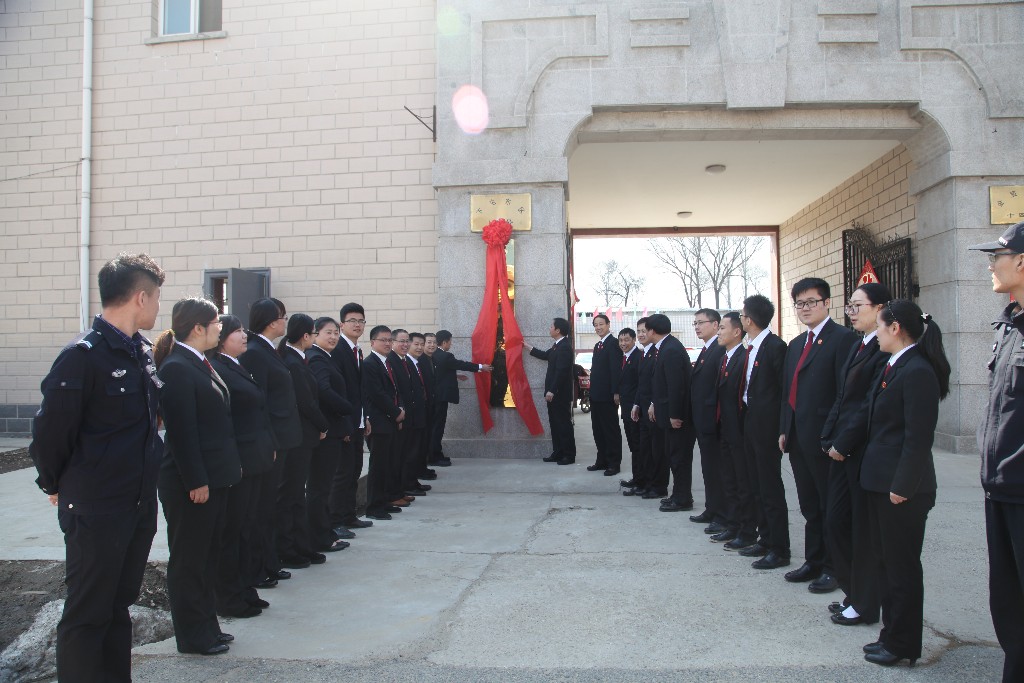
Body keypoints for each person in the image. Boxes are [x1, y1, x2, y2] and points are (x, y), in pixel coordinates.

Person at [30, 252, 165, 680]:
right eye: (157, 297)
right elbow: (50, 434)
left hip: (137, 504)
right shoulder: (82, 356)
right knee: (88, 614)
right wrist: (55, 483)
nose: (159, 307)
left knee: (117, 607)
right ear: (140, 298)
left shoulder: (140, 353)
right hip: (97, 509)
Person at [831, 300, 950, 667]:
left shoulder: (916, 370)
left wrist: (903, 485)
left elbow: (917, 437)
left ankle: (903, 644)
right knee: (885, 562)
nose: (875, 333)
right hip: (879, 481)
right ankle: (891, 636)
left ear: (895, 328)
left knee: (901, 568)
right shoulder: (896, 365)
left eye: (880, 327)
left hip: (900, 489)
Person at [154, 297, 242, 656]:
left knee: (207, 556)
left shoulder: (199, 363)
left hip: (214, 479)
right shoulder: (176, 368)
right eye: (217, 322)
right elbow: (182, 433)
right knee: (190, 560)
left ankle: (209, 626)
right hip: (192, 484)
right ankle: (193, 636)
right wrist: (196, 481)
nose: (220, 328)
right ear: (198, 328)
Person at [969, 221, 1024, 683]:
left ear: (1021, 262)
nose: (991, 265)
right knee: (1007, 598)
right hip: (1001, 486)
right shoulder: (1008, 324)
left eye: (997, 257)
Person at [779, 277, 858, 593]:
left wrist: (837, 438)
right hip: (798, 437)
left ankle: (835, 568)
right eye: (800, 303)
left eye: (812, 302)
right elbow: (789, 390)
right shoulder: (797, 344)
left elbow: (847, 393)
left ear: (827, 303)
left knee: (831, 508)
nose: (805, 308)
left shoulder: (843, 339)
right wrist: (784, 429)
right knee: (809, 505)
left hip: (826, 440)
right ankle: (813, 560)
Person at [820, 282, 891, 626]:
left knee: (861, 531)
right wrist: (828, 436)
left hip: (860, 452)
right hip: (840, 449)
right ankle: (855, 592)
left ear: (880, 309)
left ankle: (865, 602)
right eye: (849, 306)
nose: (852, 312)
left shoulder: (883, 348)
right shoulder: (858, 344)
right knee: (836, 522)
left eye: (857, 306)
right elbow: (842, 396)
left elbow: (867, 406)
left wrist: (843, 443)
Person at [209, 315, 276, 620]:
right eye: (237, 332)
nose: (244, 335)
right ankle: (231, 596)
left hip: (256, 456)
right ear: (221, 338)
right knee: (234, 531)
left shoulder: (238, 364)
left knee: (250, 525)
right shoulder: (218, 367)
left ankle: (246, 587)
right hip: (241, 461)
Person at [238, 298, 302, 588]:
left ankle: (271, 561)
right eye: (282, 317)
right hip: (272, 439)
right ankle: (261, 565)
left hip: (285, 437)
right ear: (270, 320)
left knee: (280, 501)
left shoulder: (269, 350)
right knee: (265, 507)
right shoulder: (254, 353)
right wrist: (271, 440)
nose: (284, 322)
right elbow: (258, 401)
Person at [740, 295, 791, 566]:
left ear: (750, 319)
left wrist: (783, 428)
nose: (741, 319)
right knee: (756, 485)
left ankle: (779, 548)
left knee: (770, 488)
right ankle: (765, 538)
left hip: (767, 427)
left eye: (742, 315)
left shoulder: (774, 347)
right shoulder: (752, 347)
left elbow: (783, 392)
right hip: (751, 422)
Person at [276, 314, 330, 568]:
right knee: (292, 494)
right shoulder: (293, 362)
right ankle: (289, 548)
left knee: (298, 493)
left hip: (304, 435)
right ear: (307, 336)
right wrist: (323, 424)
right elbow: (305, 401)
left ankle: (301, 545)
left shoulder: (298, 359)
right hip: (298, 436)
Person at [307, 317, 354, 551]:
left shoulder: (325, 357)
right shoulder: (316, 358)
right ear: (314, 335)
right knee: (320, 487)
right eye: (329, 333)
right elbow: (323, 391)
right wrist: (348, 408)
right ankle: (320, 536)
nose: (334, 337)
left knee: (323, 485)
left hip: (333, 429)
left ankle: (324, 533)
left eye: (336, 333)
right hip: (324, 432)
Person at [679, 309, 726, 518]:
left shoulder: (719, 349)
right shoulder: (708, 349)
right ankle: (712, 508)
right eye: (694, 323)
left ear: (715, 325)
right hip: (702, 420)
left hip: (712, 421)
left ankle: (719, 511)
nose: (697, 327)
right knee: (708, 468)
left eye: (701, 323)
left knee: (716, 470)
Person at [329, 303, 373, 531]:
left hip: (357, 421)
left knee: (354, 469)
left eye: (361, 321)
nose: (357, 325)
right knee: (342, 473)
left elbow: (359, 390)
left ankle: (348, 516)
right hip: (344, 424)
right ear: (341, 324)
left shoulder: (357, 350)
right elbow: (338, 391)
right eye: (352, 321)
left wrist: (364, 417)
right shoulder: (338, 350)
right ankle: (336, 521)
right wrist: (345, 424)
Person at [645, 313, 694, 509]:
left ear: (653, 331)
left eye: (645, 329)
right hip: (666, 412)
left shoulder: (671, 349)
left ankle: (682, 499)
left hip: (676, 417)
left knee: (679, 458)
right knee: (673, 456)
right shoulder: (664, 347)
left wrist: (675, 414)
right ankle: (677, 495)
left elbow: (677, 386)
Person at [712, 313, 751, 543]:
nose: (719, 332)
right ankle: (733, 523)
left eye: (723, 328)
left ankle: (746, 529)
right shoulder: (724, 358)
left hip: (738, 430)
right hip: (724, 428)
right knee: (729, 479)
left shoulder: (744, 357)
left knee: (741, 482)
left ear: (737, 332)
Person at [362, 325, 406, 520]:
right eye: (383, 340)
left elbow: (395, 391)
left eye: (389, 340)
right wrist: (396, 412)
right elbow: (377, 394)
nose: (387, 343)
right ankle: (373, 506)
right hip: (378, 422)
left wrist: (400, 410)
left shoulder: (387, 363)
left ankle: (385, 500)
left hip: (390, 421)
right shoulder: (370, 364)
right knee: (378, 466)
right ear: (372, 342)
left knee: (388, 464)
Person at [430, 330, 491, 465]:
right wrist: (481, 367)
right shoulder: (445, 356)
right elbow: (461, 364)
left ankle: (437, 454)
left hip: (437, 396)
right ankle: (434, 457)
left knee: (437, 427)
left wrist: (455, 376)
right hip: (440, 397)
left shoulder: (436, 355)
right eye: (450, 341)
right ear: (445, 342)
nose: (451, 344)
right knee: (437, 427)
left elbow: (441, 372)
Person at [524, 318, 575, 465]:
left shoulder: (564, 347)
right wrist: (528, 347)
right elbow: (546, 355)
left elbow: (561, 371)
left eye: (551, 326)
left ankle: (569, 455)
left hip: (559, 394)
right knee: (555, 424)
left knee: (563, 424)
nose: (549, 328)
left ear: (558, 330)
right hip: (553, 394)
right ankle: (558, 452)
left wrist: (552, 390)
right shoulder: (557, 346)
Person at [389, 329, 428, 502]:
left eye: (407, 342)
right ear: (392, 342)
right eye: (401, 341)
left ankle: (411, 482)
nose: (405, 345)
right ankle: (405, 485)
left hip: (415, 416)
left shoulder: (407, 361)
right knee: (404, 455)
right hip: (403, 416)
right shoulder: (391, 361)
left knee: (413, 452)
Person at [586, 313, 624, 475]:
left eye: (601, 324)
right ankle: (601, 460)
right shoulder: (598, 346)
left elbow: (615, 370)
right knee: (598, 429)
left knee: (610, 430)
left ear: (608, 325)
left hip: (608, 396)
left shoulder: (614, 344)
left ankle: (614, 463)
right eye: (595, 325)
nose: (598, 327)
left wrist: (616, 392)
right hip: (596, 395)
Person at [623, 318, 657, 497]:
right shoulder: (645, 354)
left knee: (647, 450)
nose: (642, 334)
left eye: (645, 330)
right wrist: (636, 404)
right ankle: (641, 481)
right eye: (640, 331)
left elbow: (654, 384)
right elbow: (641, 384)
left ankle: (648, 483)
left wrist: (652, 403)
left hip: (650, 411)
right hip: (639, 408)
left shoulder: (654, 353)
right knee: (640, 448)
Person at [408, 332, 437, 482]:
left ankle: (419, 472)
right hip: (412, 414)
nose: (420, 347)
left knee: (422, 445)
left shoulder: (418, 362)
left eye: (421, 344)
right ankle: (413, 478)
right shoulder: (406, 362)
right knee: (414, 449)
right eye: (416, 344)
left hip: (424, 410)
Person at [615, 328, 641, 485]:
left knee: (638, 446)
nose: (623, 343)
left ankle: (640, 480)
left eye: (626, 340)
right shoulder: (623, 357)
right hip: (626, 409)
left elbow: (640, 384)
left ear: (634, 340)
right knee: (633, 446)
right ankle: (637, 478)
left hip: (635, 409)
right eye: (621, 341)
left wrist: (635, 405)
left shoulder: (638, 357)